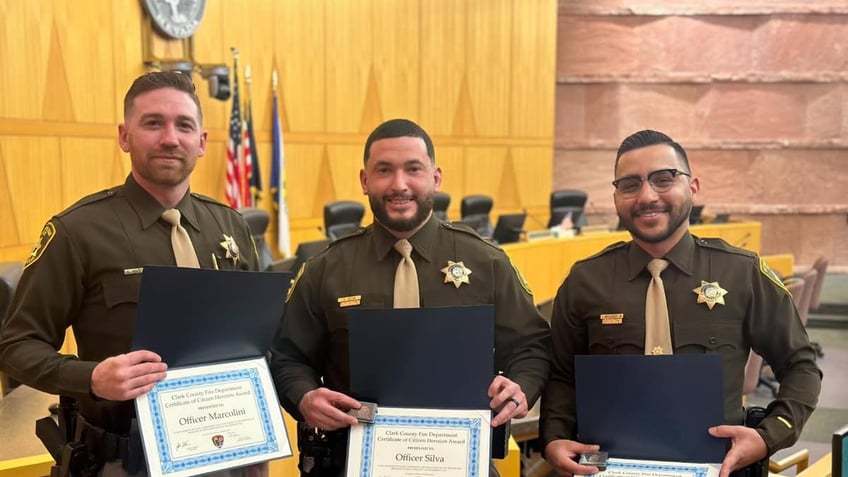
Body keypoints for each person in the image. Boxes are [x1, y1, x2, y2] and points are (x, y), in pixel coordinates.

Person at [0, 71, 260, 476]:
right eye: (153, 123)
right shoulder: (78, 231)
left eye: (184, 125)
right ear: (124, 136)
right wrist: (91, 378)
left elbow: (254, 343)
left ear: (202, 142)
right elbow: (17, 345)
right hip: (125, 459)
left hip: (229, 453)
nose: (170, 138)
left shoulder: (230, 227)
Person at [268, 118, 551, 476]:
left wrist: (521, 386)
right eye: (384, 170)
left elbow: (532, 345)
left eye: (413, 169)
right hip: (351, 460)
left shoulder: (486, 262)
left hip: (461, 459)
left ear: (435, 177)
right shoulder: (326, 268)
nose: (399, 185)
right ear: (364, 181)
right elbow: (287, 358)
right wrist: (305, 397)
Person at [539, 130, 822, 477]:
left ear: (693, 187)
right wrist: (553, 438)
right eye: (630, 184)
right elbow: (562, 375)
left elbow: (800, 366)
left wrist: (768, 436)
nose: (646, 196)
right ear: (615, 197)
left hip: (718, 468)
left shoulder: (741, 273)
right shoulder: (585, 280)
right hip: (610, 469)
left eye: (663, 179)